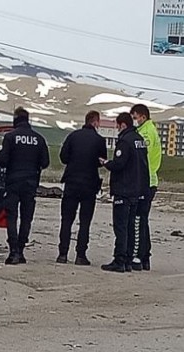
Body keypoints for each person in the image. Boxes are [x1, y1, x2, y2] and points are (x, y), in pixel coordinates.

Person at [0, 107, 50, 265]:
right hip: (31, 183)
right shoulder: (39, 139)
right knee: (26, 218)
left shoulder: (10, 137)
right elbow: (45, 162)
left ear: (15, 119)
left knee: (11, 217)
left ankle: (13, 252)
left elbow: (2, 161)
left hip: (13, 182)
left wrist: (1, 153)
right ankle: (20, 250)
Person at [100, 112, 149, 273]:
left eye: (117, 125)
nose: (116, 128)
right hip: (136, 189)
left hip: (124, 189)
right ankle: (128, 259)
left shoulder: (125, 141)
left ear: (122, 125)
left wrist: (107, 163)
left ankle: (119, 259)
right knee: (131, 226)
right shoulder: (139, 140)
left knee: (121, 226)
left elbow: (120, 164)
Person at [56, 111, 107, 265]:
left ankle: (62, 254)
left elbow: (63, 157)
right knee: (85, 221)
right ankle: (80, 255)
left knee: (66, 219)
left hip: (71, 182)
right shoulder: (99, 140)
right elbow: (101, 161)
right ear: (96, 122)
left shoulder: (73, 136)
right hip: (89, 184)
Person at [131, 104, 162, 271]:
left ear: (142, 116)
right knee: (142, 221)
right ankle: (145, 256)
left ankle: (140, 256)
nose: (134, 120)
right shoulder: (150, 130)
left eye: (135, 117)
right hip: (149, 180)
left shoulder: (146, 133)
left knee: (139, 221)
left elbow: (142, 159)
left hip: (144, 182)